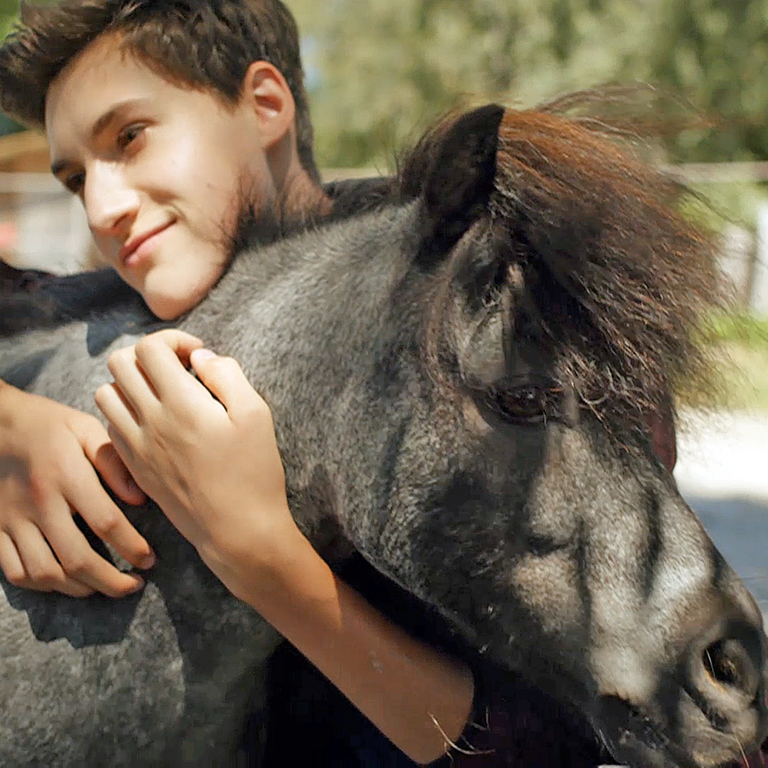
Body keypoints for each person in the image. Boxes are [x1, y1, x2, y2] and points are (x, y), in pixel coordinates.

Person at [0, 1, 476, 765]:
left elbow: (548, 738)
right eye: (75, 178)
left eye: (130, 136)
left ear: (264, 106)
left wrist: (260, 556)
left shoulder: (466, 314)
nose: (101, 207)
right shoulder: (90, 314)